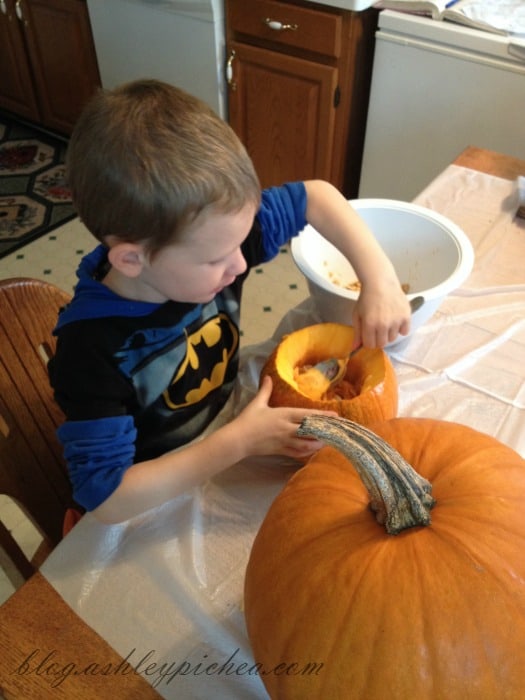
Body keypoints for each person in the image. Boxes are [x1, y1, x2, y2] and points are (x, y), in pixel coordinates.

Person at [49, 79, 411, 524]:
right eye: (218, 259)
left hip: (226, 420)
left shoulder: (207, 232)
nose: (241, 265)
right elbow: (107, 499)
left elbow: (317, 195)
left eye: (241, 243)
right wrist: (238, 442)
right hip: (160, 487)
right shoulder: (92, 350)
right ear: (131, 259)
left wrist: (380, 279)